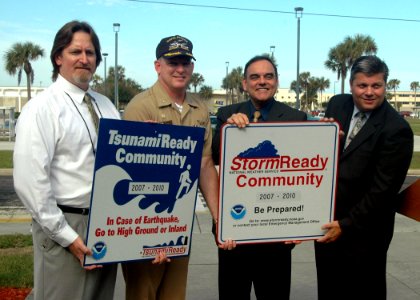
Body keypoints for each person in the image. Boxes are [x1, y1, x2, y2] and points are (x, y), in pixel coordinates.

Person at [13, 21, 120, 299]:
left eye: (91, 52)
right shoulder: (42, 108)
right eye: (76, 52)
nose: (84, 59)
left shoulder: (105, 105)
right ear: (58, 57)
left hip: (106, 225)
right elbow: (31, 183)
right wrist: (68, 237)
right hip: (66, 225)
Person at [122, 35, 233, 300]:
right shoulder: (141, 106)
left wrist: (220, 221)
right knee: (143, 293)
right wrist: (150, 232)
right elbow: (131, 175)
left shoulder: (199, 108)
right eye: (172, 62)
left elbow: (205, 165)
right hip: (143, 221)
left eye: (185, 62)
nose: (180, 68)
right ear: (158, 66)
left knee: (174, 295)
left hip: (178, 221)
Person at [315, 55, 414, 300]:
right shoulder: (338, 104)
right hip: (328, 224)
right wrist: (326, 139)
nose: (369, 92)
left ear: (385, 86)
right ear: (351, 85)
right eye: (362, 85)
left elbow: (382, 192)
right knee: (329, 289)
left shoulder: (396, 130)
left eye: (376, 85)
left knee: (364, 290)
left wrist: (345, 226)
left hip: (365, 234)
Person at [212, 55, 307, 300]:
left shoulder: (297, 118)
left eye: (268, 76)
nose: (262, 81)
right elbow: (211, 161)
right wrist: (229, 132)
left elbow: (306, 176)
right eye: (255, 77)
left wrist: (302, 223)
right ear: (244, 84)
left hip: (277, 236)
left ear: (276, 82)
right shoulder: (227, 115)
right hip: (236, 231)